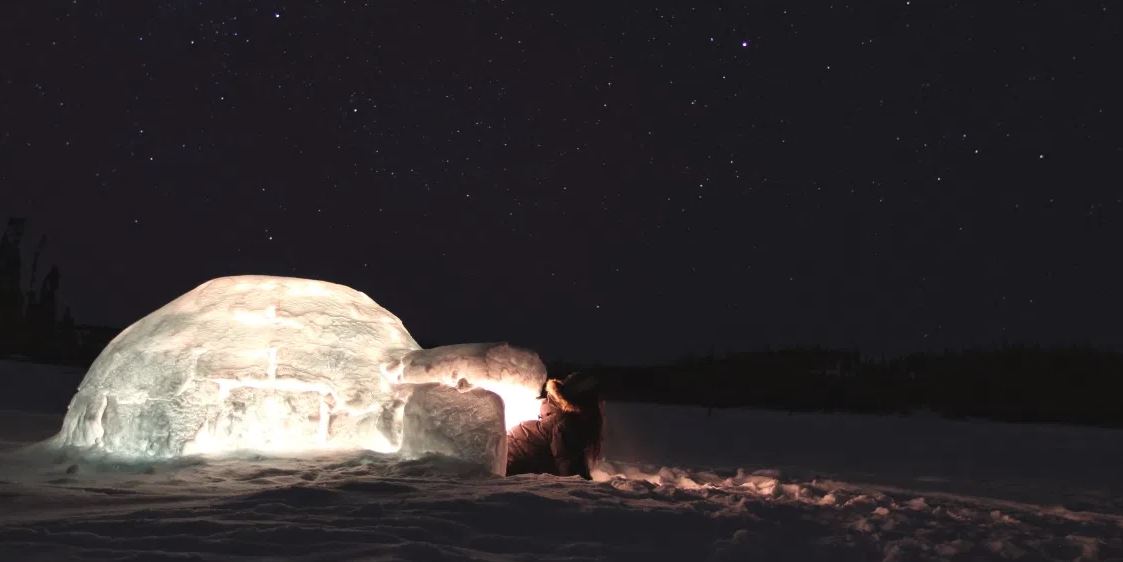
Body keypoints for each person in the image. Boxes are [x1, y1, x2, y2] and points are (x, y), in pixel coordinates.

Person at [506, 372, 603, 479]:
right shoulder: (566, 421)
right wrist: (586, 486)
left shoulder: (563, 411)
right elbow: (568, 463)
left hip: (520, 451)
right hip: (516, 458)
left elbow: (573, 459)